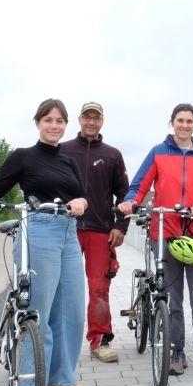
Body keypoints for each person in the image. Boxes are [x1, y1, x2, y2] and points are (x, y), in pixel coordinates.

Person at [0, 99, 89, 386]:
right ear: (38, 123)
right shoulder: (23, 157)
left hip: (69, 233)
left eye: (60, 120)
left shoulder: (69, 161)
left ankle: (62, 380)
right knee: (39, 312)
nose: (54, 125)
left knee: (71, 311)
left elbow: (80, 194)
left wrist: (82, 202)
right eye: (48, 119)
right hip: (39, 231)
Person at [117, 103, 193, 383]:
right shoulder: (158, 152)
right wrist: (132, 201)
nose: (185, 125)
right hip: (165, 231)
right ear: (172, 123)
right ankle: (176, 351)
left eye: (190, 121)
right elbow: (140, 184)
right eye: (180, 120)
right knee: (171, 298)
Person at [60, 101, 130, 364]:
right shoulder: (63, 150)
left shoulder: (113, 154)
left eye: (96, 118)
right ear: (79, 120)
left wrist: (120, 226)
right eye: (87, 117)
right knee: (60, 289)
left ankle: (99, 341)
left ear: (102, 122)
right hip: (65, 229)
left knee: (99, 289)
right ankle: (58, 342)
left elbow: (124, 194)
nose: (91, 122)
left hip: (100, 231)